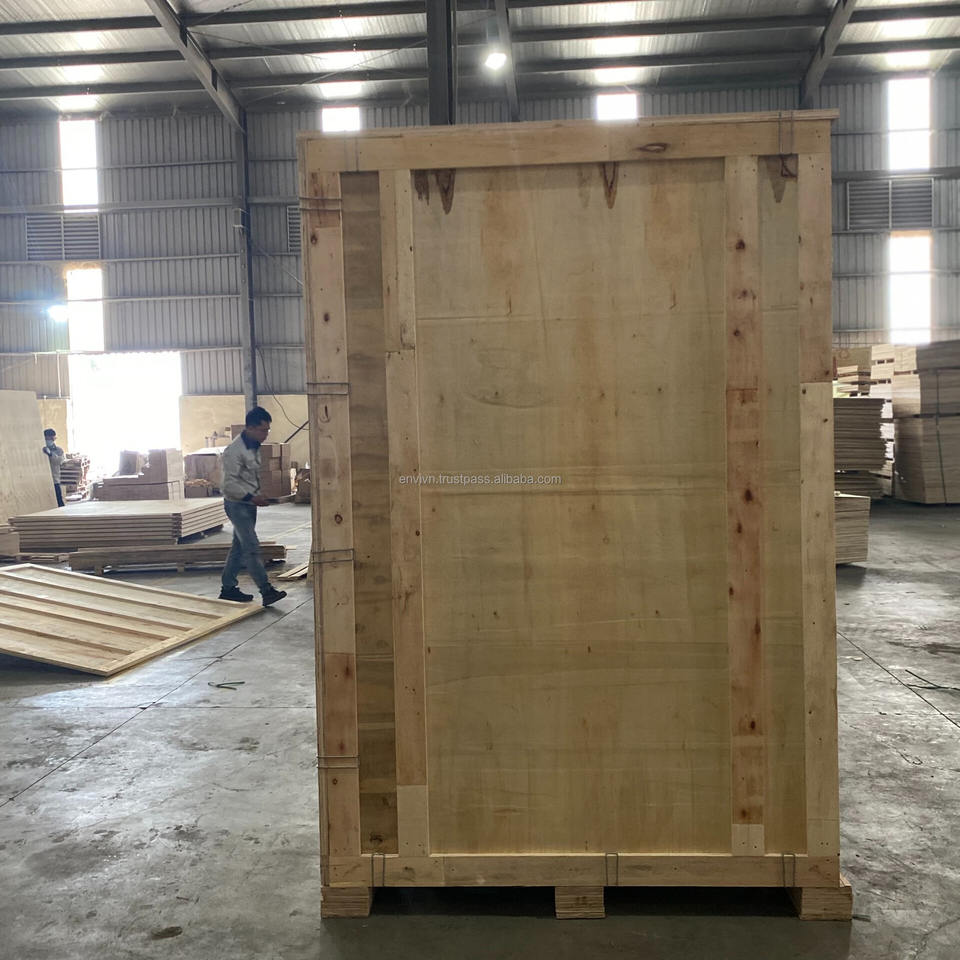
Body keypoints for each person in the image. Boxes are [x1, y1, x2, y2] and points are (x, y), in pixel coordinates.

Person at [219, 406, 287, 607]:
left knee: (239, 548)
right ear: (250, 428)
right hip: (237, 505)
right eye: (262, 430)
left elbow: (248, 477)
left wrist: (257, 494)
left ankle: (228, 588)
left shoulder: (253, 445)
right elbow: (228, 485)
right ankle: (266, 591)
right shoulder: (234, 451)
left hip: (248, 504)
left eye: (268, 430)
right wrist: (251, 496)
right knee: (251, 547)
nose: (265, 435)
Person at [42, 428, 65, 508]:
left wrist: (50, 454)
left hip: (54, 480)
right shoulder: (39, 449)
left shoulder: (58, 450)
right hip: (42, 480)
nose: (50, 440)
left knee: (59, 501)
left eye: (51, 438)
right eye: (47, 439)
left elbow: (59, 461)